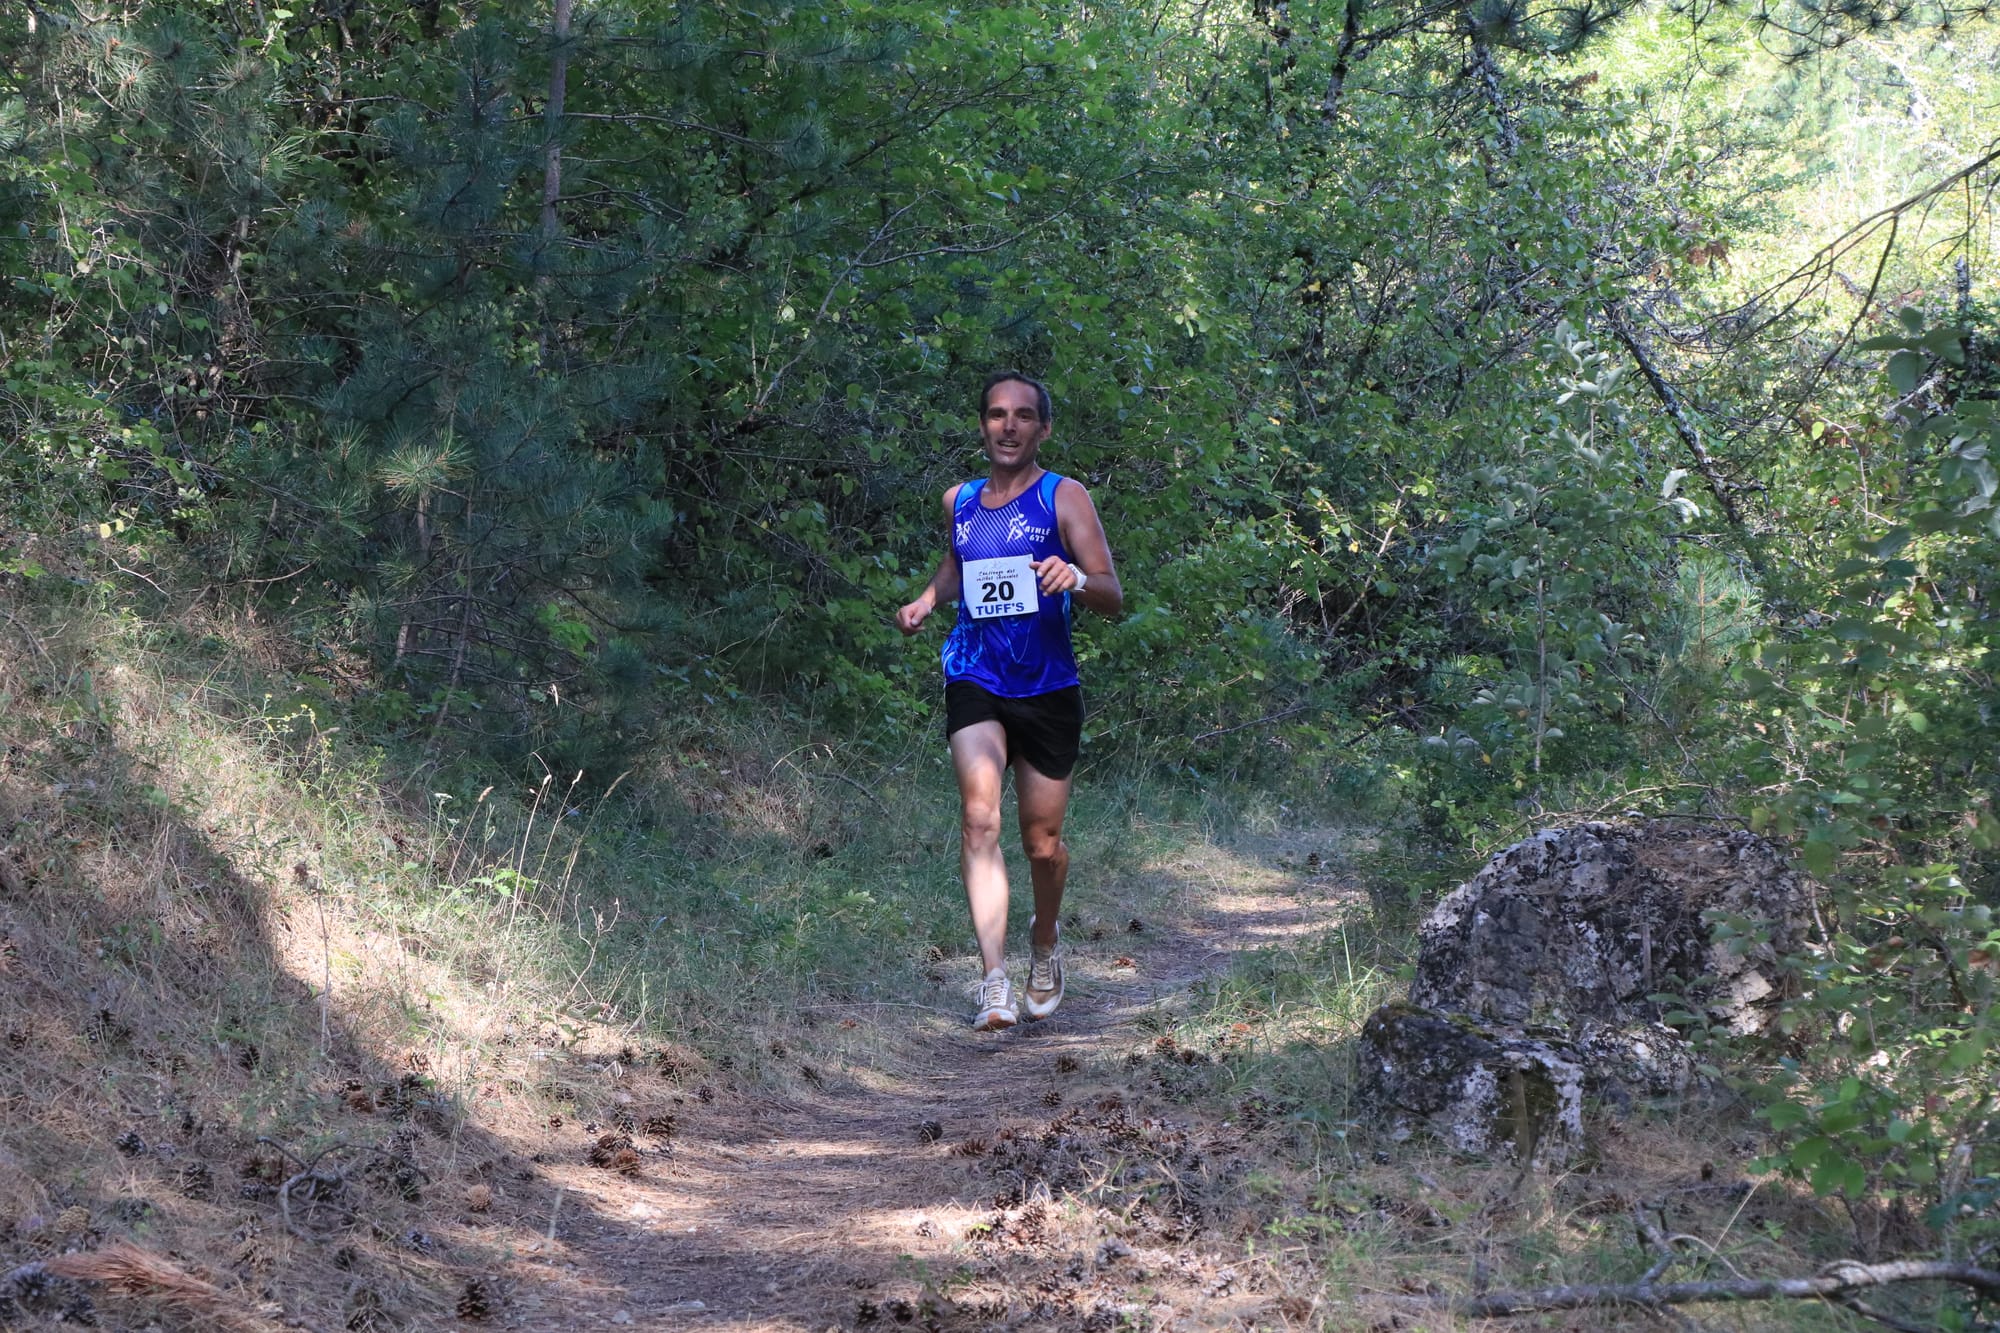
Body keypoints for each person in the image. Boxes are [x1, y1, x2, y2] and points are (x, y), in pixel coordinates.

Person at [896, 371, 1123, 1030]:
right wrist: (928, 599)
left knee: (1042, 844)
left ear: (1042, 428)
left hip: (1048, 685)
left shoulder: (1064, 496)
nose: (1008, 425)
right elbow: (959, 562)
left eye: (1024, 416)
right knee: (978, 818)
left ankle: (1044, 942)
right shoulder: (959, 500)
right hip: (975, 674)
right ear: (983, 424)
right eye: (997, 414)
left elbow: (1111, 594)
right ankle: (993, 979)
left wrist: (1074, 576)